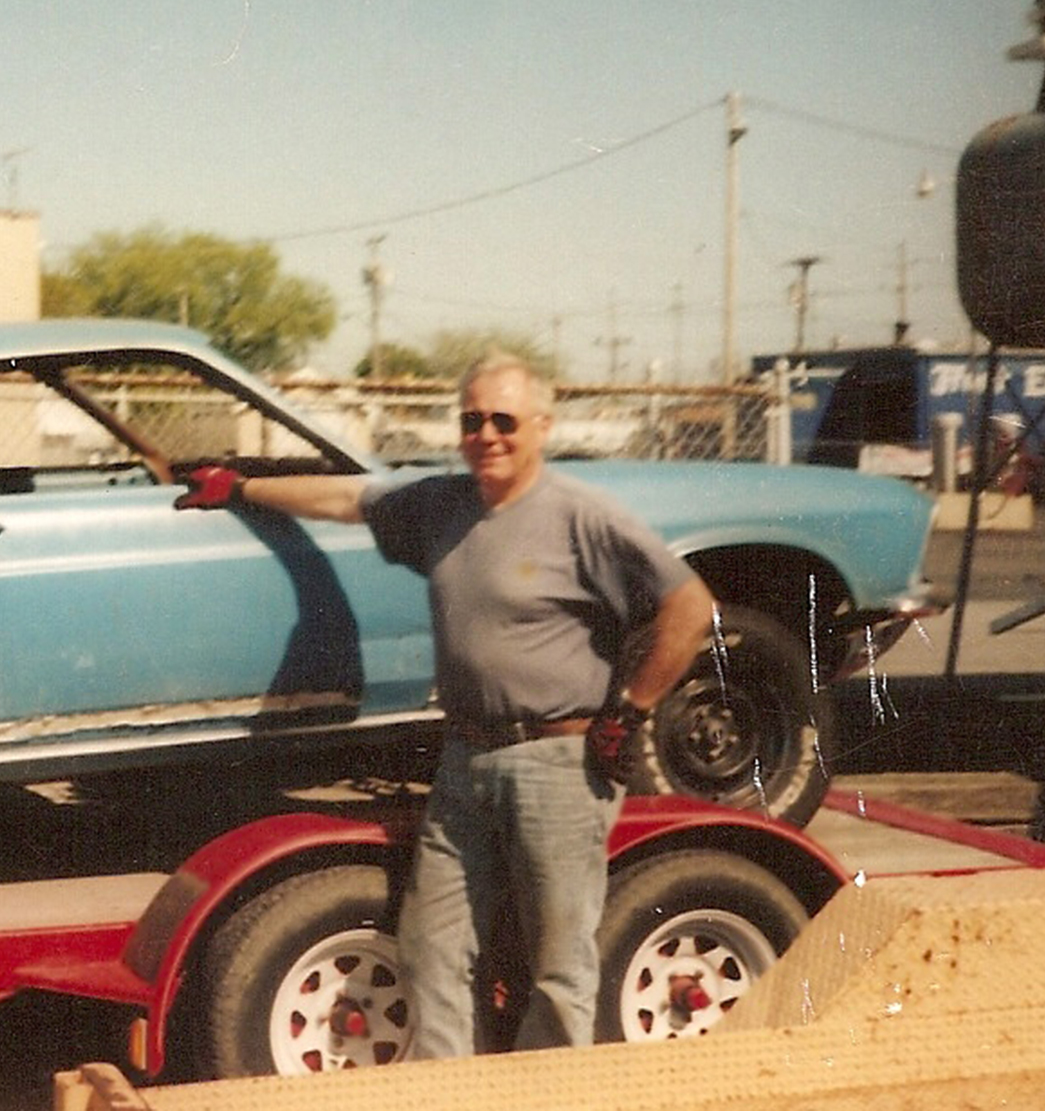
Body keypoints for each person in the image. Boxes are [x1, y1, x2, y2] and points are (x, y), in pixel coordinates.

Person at [176, 351, 717, 1056]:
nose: (485, 435)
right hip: (465, 761)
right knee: (431, 949)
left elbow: (691, 606)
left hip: (559, 763)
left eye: (503, 420)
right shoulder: (439, 507)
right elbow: (348, 499)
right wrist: (242, 488)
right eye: (471, 421)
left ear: (542, 426)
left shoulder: (584, 518)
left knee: (557, 966)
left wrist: (631, 710)